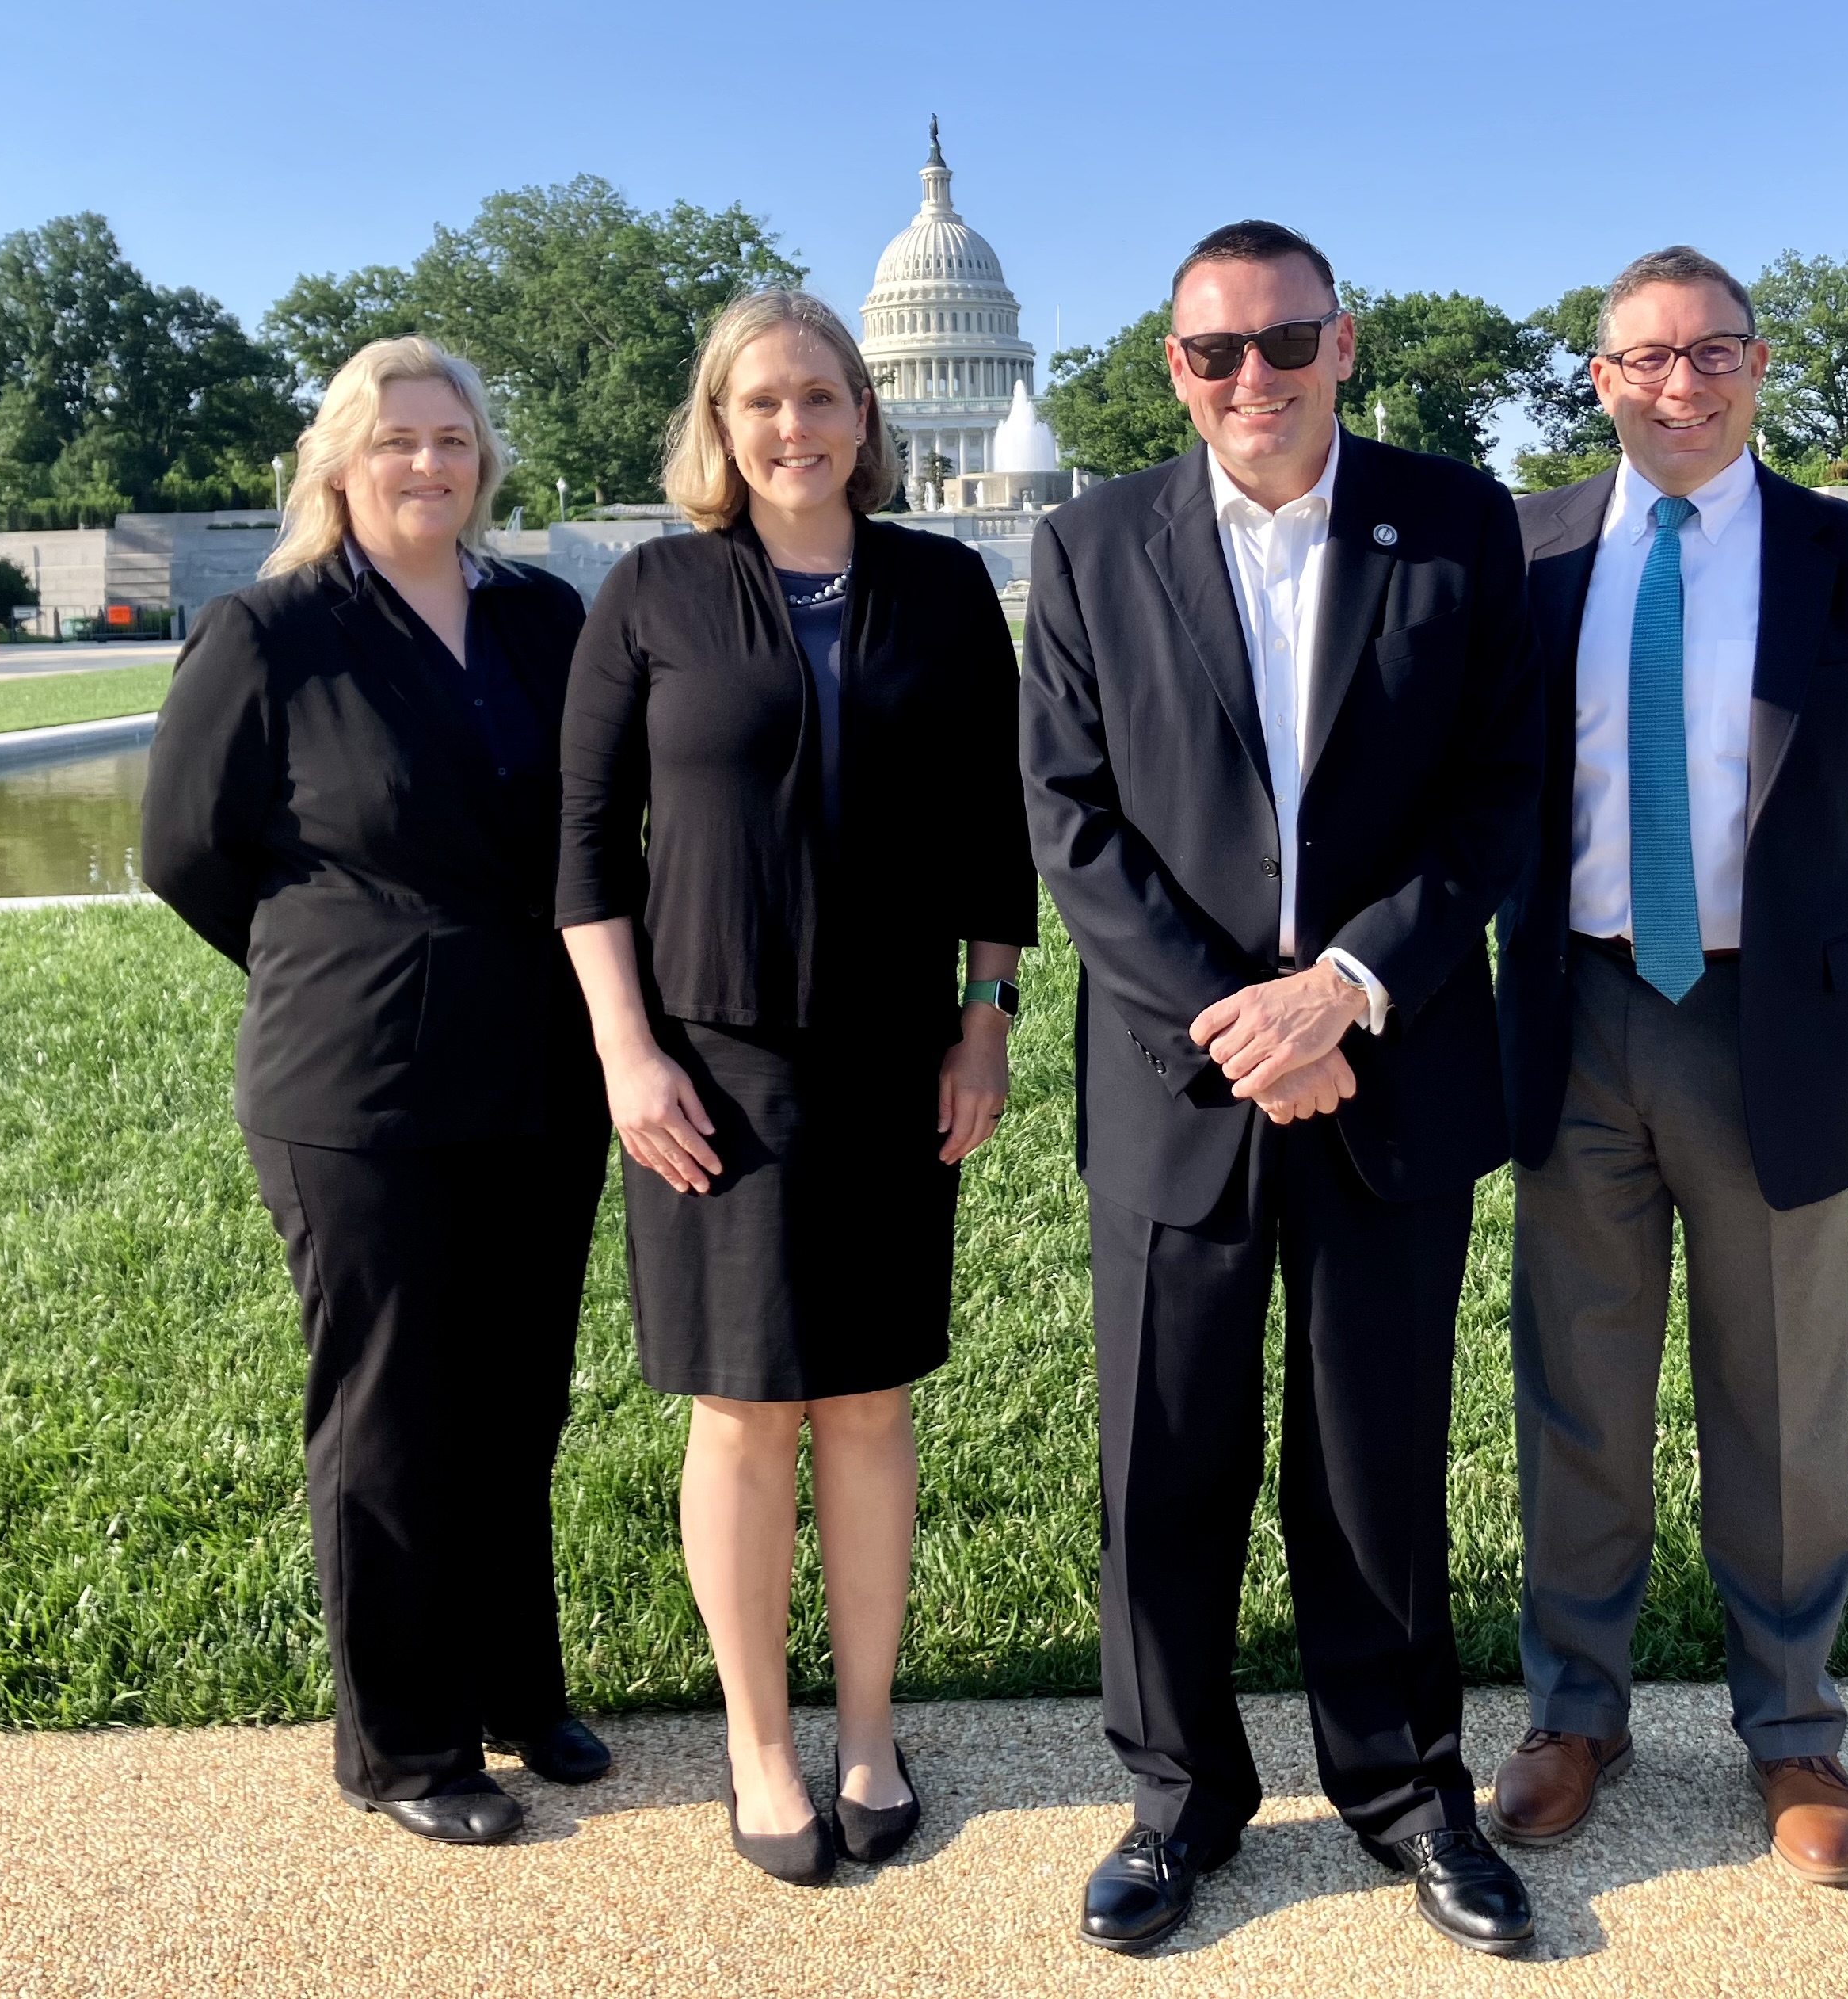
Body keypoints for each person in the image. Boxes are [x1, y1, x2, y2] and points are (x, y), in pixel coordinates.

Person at [1021, 222, 1542, 1956]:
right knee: (1165, 1453)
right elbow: (1071, 824)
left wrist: (1344, 992)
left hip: (1391, 1065)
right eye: (1213, 351)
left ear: (1344, 339)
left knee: (1376, 1459)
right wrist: (1244, 1022)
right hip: (1179, 1085)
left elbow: (1498, 797)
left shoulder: (1459, 521)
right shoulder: (1091, 546)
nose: (1254, 377)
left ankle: (1406, 1791)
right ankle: (1180, 1797)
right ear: (1172, 365)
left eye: (1286, 339)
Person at [556, 289, 1037, 1888]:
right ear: (719, 420)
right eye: (763, 400)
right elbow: (583, 851)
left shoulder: (946, 586)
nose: (795, 427)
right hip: (712, 1062)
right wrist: (626, 1051)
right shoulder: (653, 592)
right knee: (746, 1404)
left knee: (872, 1397)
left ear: (866, 414)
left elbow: (992, 828)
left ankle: (872, 1726)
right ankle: (762, 1741)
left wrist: (986, 1018)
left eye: (823, 397)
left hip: (897, 1049)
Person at [1488, 246, 1848, 1887]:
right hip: (1579, 1009)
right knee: (1580, 1387)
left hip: (1768, 1021)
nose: (1680, 385)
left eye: (1714, 355)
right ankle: (1575, 1708)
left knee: (1779, 1395)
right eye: (1646, 358)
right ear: (1599, 377)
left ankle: (1794, 1725)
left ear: (1759, 370)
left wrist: (1791, 943)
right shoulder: (1527, 551)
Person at [142, 336, 615, 1845]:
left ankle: (512, 1689)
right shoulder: (269, 633)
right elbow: (184, 856)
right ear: (339, 462)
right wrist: (327, 961)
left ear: (484, 461)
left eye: (453, 440)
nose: (429, 465)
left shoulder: (544, 615)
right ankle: (403, 1746)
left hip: (546, 1058)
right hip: (360, 1080)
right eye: (397, 440)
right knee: (394, 1406)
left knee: (516, 1397)